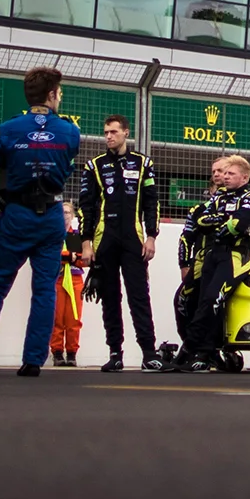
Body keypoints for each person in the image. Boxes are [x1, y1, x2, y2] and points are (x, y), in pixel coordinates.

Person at [0, 67, 82, 376]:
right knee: (44, 289)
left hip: (17, 214)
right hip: (51, 214)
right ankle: (33, 361)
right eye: (60, 92)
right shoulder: (69, 131)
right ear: (51, 94)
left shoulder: (10, 128)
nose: (60, 96)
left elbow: (2, 162)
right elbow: (67, 167)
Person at [75, 114, 162, 372]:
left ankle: (149, 353)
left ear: (126, 132)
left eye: (113, 132)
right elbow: (86, 207)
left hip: (134, 240)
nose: (109, 136)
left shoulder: (143, 163)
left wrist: (151, 236)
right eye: (106, 133)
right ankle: (115, 353)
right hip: (105, 241)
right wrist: (86, 243)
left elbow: (151, 202)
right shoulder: (94, 165)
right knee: (109, 297)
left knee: (139, 297)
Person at [175, 155, 250, 370]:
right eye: (223, 173)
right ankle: (202, 351)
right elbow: (201, 221)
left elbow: (239, 223)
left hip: (237, 255)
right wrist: (223, 223)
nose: (224, 177)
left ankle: (195, 349)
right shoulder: (218, 197)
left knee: (212, 300)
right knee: (200, 302)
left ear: (244, 178)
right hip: (212, 254)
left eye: (230, 174)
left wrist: (221, 224)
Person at [51, 246, 85, 367]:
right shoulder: (53, 232)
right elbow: (48, 255)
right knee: (57, 318)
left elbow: (87, 258)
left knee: (74, 319)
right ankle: (57, 352)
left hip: (75, 278)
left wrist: (72, 257)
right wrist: (70, 256)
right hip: (57, 278)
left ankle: (72, 353)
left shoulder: (77, 234)